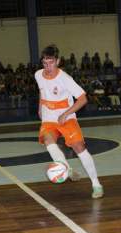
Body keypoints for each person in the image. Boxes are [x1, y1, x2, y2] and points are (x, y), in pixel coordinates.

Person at [35, 45, 104, 199]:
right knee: (48, 140)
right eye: (45, 63)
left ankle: (96, 184)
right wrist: (40, 107)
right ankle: (65, 167)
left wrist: (66, 113)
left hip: (66, 117)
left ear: (57, 61)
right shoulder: (38, 74)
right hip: (49, 118)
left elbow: (83, 99)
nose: (47, 67)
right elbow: (42, 91)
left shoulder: (65, 79)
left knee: (79, 147)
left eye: (51, 62)